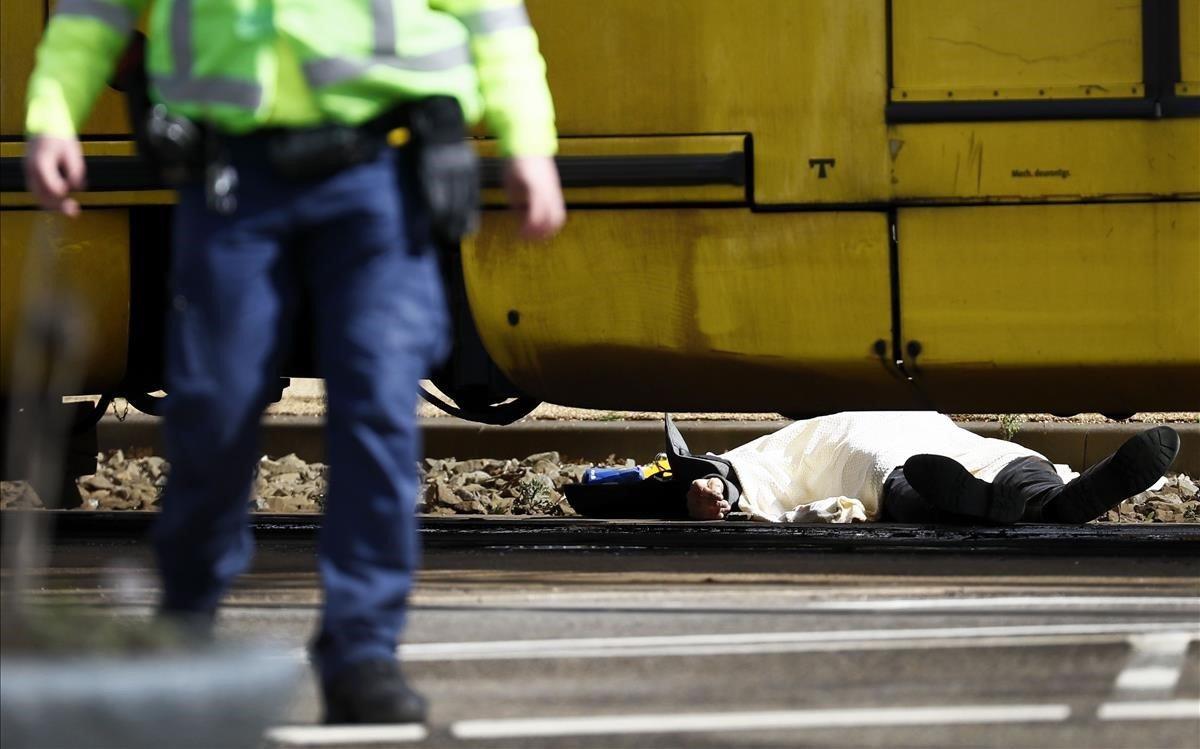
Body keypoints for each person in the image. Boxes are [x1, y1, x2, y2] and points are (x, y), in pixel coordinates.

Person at [24, 0, 564, 725]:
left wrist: (527, 139)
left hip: (381, 168)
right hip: (233, 174)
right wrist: (54, 108)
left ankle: (362, 651)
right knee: (213, 407)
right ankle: (185, 624)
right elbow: (95, 8)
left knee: (375, 403)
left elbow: (493, 16)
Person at [667, 413, 1181, 525]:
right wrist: (716, 485)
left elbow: (750, 470)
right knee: (1023, 472)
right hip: (973, 455)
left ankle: (979, 507)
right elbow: (736, 472)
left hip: (903, 468)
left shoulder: (821, 429)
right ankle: (1069, 499)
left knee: (911, 487)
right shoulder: (923, 418)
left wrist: (717, 486)